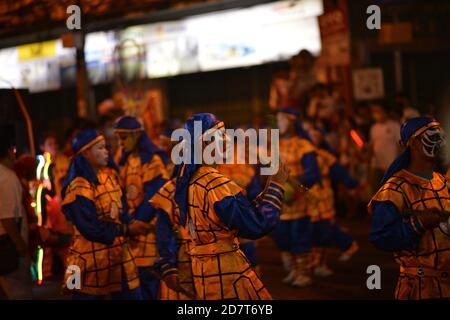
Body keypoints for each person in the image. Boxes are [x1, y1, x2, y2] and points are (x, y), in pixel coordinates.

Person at [174, 113, 289, 299]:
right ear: (203, 144)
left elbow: (242, 211)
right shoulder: (215, 184)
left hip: (204, 273)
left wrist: (268, 188)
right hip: (226, 274)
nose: (227, 142)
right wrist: (277, 186)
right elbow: (256, 224)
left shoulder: (190, 181)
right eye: (219, 136)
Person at [368, 116, 450, 299]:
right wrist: (419, 223)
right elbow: (379, 236)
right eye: (434, 137)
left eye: (443, 137)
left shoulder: (444, 182)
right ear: (413, 143)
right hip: (420, 288)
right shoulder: (396, 188)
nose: (442, 143)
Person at [61, 129, 148, 300]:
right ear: (86, 152)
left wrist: (135, 225)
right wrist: (127, 230)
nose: (106, 151)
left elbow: (121, 212)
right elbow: (90, 229)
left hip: (116, 260)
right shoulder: (79, 187)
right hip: (86, 264)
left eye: (105, 147)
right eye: (100, 148)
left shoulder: (109, 178)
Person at [113, 116, 174, 300]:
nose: (121, 143)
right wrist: (129, 222)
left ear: (136, 135)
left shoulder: (152, 160)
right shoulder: (125, 161)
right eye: (119, 138)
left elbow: (154, 196)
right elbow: (120, 194)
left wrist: (138, 221)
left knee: (149, 286)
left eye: (124, 138)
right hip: (131, 235)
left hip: (148, 234)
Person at [272, 107, 321, 287]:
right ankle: (293, 269)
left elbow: (313, 173)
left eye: (282, 120)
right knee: (283, 237)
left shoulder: (304, 145)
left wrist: (294, 190)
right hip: (281, 200)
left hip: (298, 200)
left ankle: (303, 272)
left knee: (300, 235)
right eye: (277, 120)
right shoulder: (276, 145)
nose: (279, 124)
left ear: (292, 122)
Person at [0, 131, 33, 300]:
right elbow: (7, 217)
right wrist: (20, 244)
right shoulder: (7, 177)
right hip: (9, 246)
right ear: (8, 151)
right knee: (19, 292)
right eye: (13, 150)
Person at [368, 104, 401, 191]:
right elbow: (372, 147)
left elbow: (400, 146)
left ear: (385, 112)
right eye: (374, 112)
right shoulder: (374, 128)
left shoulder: (394, 126)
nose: (375, 114)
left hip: (391, 166)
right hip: (377, 166)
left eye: (378, 111)